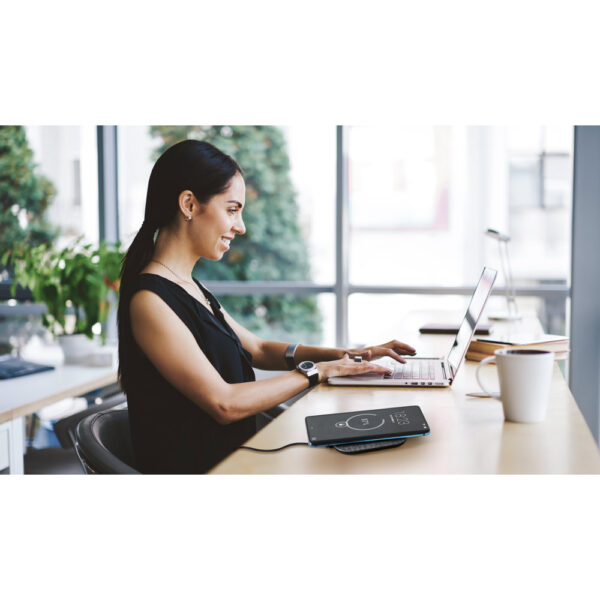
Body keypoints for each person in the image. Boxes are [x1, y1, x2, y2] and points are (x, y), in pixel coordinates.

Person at [117, 139, 416, 474]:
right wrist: (319, 372)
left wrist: (345, 356)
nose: (240, 227)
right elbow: (223, 403)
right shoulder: (150, 302)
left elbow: (258, 348)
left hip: (239, 461)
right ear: (189, 204)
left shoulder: (188, 286)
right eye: (232, 210)